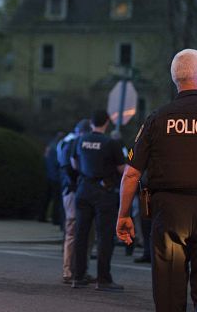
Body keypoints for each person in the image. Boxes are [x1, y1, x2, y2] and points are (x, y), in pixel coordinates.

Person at [116, 49, 197, 311]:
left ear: (176, 79)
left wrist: (124, 215)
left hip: (168, 214)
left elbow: (132, 173)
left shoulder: (157, 118)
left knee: (168, 292)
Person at [70, 109, 125, 291]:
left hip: (83, 190)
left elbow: (74, 163)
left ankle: (77, 276)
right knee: (105, 237)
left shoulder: (80, 140)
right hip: (104, 192)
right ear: (107, 122)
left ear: (91, 122)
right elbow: (121, 169)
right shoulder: (111, 143)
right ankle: (103, 279)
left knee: (81, 235)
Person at [57, 118, 92, 284]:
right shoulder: (72, 145)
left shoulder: (69, 144)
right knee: (75, 230)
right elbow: (68, 169)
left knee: (77, 231)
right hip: (73, 191)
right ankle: (71, 270)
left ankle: (76, 269)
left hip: (72, 190)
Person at [38, 133, 62, 224]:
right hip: (56, 177)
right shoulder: (56, 149)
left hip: (48, 175)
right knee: (56, 199)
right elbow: (58, 163)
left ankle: (41, 216)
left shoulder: (49, 147)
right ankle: (55, 218)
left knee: (46, 198)